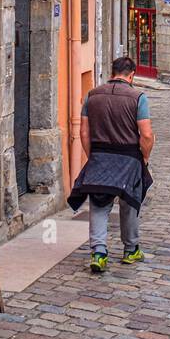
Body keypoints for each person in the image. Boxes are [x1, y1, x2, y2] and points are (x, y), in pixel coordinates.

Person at [68, 57, 154, 275]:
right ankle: (130, 248)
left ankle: (98, 252)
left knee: (98, 204)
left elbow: (84, 132)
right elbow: (146, 134)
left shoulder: (92, 95)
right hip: (128, 158)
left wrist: (92, 155)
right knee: (130, 202)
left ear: (112, 71)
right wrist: (145, 158)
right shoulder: (138, 97)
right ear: (132, 74)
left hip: (100, 155)